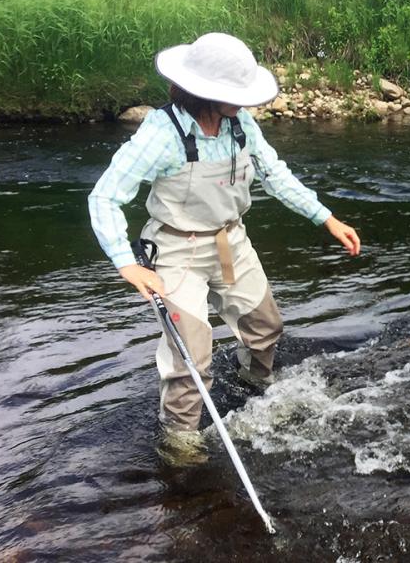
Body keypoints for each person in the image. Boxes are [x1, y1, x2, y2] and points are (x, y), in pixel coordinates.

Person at [88, 32, 360, 464]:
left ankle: (255, 386)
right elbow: (104, 196)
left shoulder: (241, 125)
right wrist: (126, 263)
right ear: (203, 92)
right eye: (235, 94)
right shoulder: (162, 132)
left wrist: (325, 218)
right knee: (190, 360)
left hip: (229, 240)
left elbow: (275, 175)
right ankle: (180, 445)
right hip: (176, 251)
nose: (247, 103)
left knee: (265, 326)